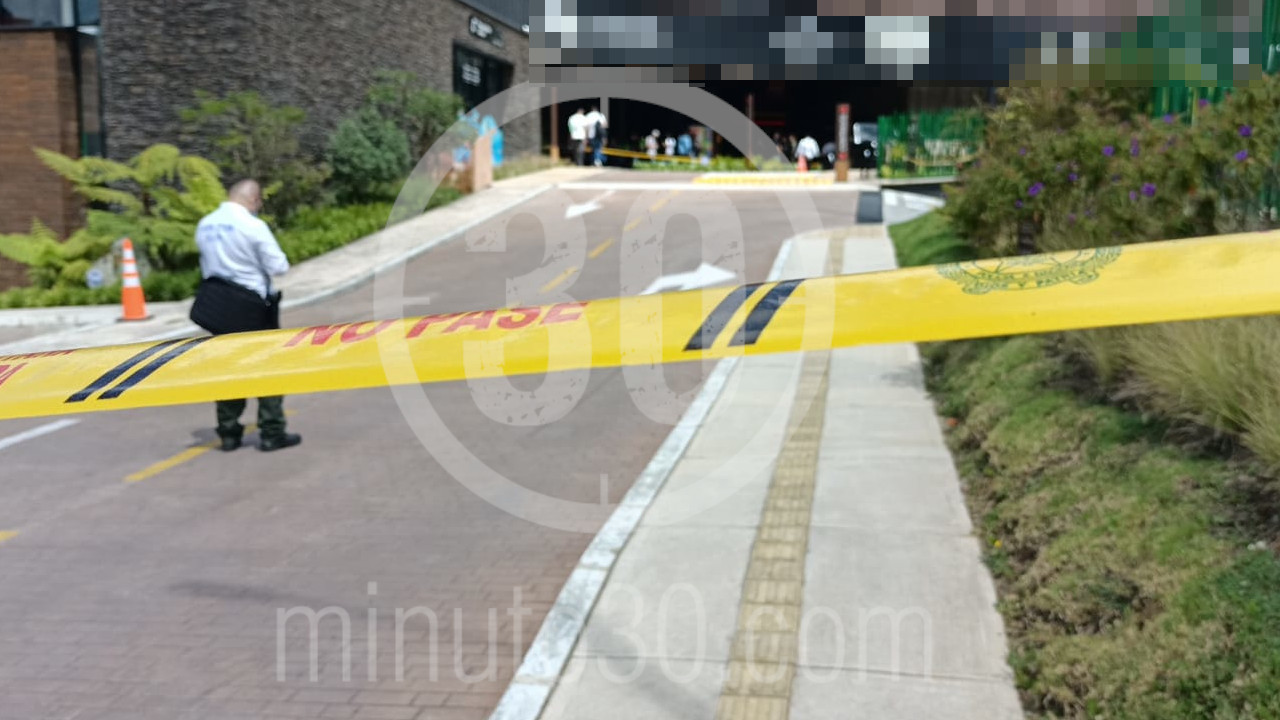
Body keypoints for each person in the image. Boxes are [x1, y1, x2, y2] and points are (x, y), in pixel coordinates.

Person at [191, 180, 301, 452]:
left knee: (228, 368)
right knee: (268, 368)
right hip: (253, 306)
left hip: (218, 305)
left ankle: (228, 432)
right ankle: (272, 431)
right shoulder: (253, 225)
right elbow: (278, 266)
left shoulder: (205, 224)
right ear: (254, 199)